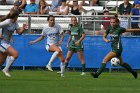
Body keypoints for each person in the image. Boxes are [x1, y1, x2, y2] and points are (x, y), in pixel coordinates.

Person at [0, 8, 26, 77]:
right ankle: (6, 69)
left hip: (6, 43)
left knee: (1, 62)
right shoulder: (7, 21)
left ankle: (5, 68)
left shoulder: (15, 23)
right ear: (16, 16)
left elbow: (19, 32)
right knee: (15, 54)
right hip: (2, 43)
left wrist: (23, 28)